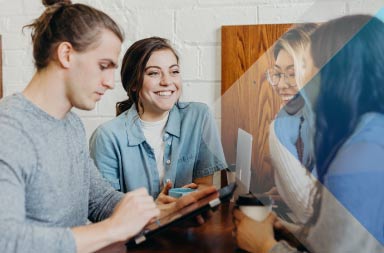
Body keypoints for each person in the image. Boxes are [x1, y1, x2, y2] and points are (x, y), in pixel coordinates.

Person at [0, 1, 216, 252]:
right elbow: (6, 240)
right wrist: (113, 229)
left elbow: (100, 200)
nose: (111, 83)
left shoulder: (70, 124)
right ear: (66, 54)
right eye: (103, 66)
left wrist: (160, 213)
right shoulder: (9, 130)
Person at [234, 14, 384, 253]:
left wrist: (265, 246)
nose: (307, 78)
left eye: (311, 65)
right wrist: (296, 232)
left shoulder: (359, 154)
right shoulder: (370, 132)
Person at [89, 37, 227, 203]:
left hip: (189, 224)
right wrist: (157, 210)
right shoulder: (107, 137)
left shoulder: (199, 116)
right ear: (134, 83)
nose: (167, 81)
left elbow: (205, 188)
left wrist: (187, 199)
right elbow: (105, 207)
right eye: (154, 73)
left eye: (174, 71)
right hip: (138, 229)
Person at [265, 24, 319, 224]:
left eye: (292, 73)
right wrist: (289, 195)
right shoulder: (302, 118)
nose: (280, 84)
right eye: (278, 73)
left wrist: (276, 134)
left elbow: (311, 212)